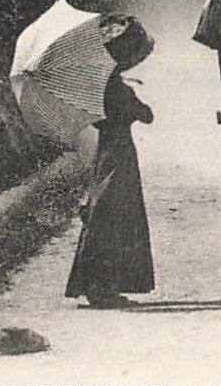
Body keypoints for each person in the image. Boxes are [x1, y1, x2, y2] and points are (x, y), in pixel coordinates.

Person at [66, 16, 156, 308]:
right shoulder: (115, 88)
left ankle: (101, 286)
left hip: (107, 152)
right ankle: (102, 288)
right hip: (119, 154)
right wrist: (135, 102)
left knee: (104, 212)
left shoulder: (102, 86)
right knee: (113, 214)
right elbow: (146, 115)